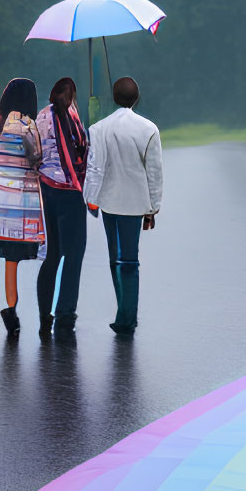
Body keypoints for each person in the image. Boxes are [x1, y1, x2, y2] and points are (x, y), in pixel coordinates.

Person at [83, 76, 163, 335]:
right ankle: (127, 315)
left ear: (115, 98)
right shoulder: (149, 128)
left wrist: (91, 199)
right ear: (136, 98)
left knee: (115, 259)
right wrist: (152, 208)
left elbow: (94, 168)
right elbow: (154, 171)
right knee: (130, 260)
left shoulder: (99, 128)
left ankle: (124, 313)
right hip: (135, 204)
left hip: (110, 203)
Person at [0, 77, 44, 336]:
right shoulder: (27, 125)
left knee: (10, 259)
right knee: (43, 252)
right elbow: (36, 159)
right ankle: (46, 311)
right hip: (24, 197)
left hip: (1, 194)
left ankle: (11, 308)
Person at [35, 76, 91, 337]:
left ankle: (44, 315)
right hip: (72, 192)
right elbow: (82, 151)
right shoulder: (73, 116)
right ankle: (66, 315)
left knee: (52, 256)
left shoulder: (41, 116)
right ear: (72, 96)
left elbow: (35, 153)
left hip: (47, 190)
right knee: (74, 256)